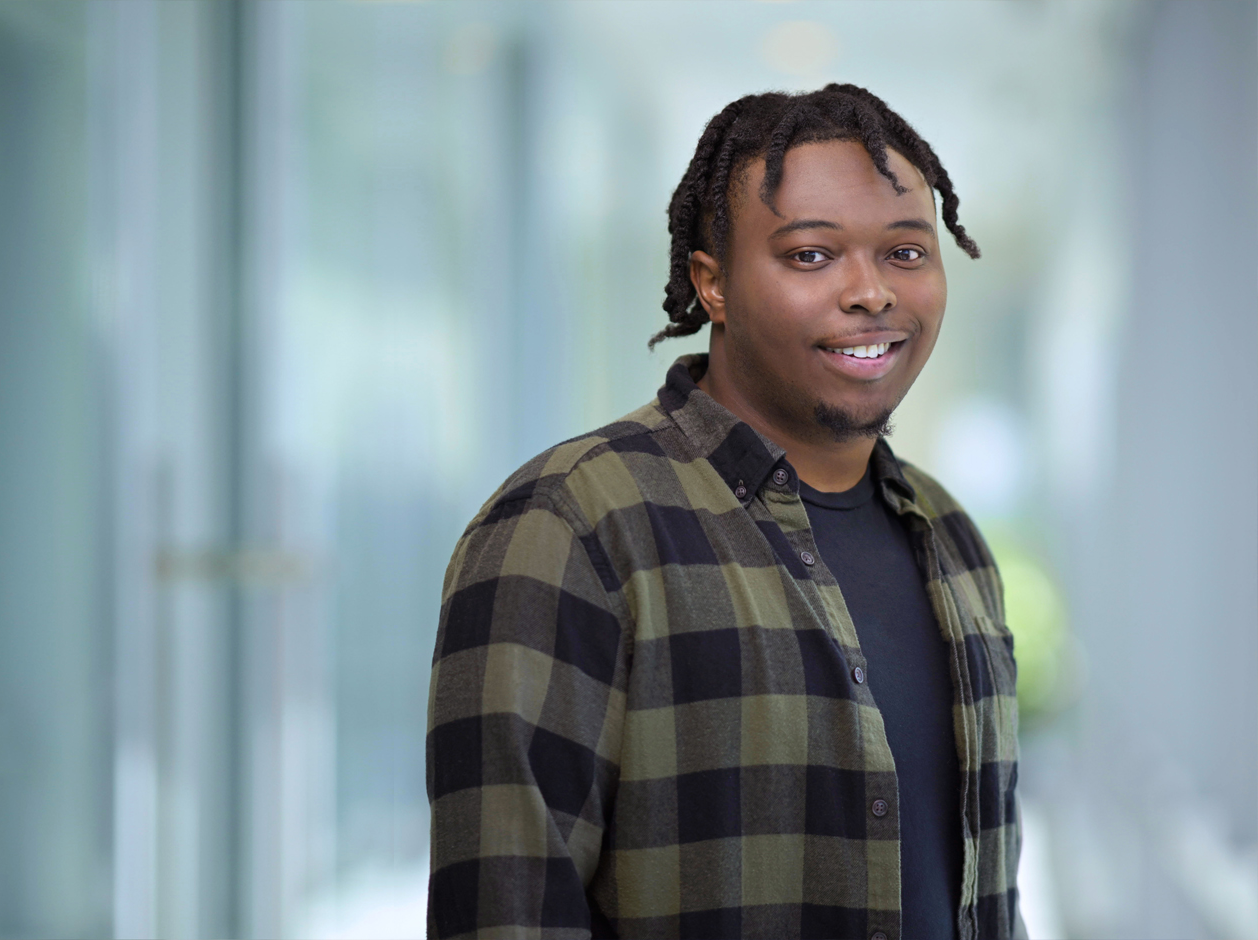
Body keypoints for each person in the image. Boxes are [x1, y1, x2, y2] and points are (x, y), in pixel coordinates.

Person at [426, 85, 1023, 940]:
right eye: (812, 255)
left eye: (904, 252)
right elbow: (505, 914)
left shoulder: (951, 538)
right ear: (714, 285)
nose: (870, 294)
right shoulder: (572, 527)